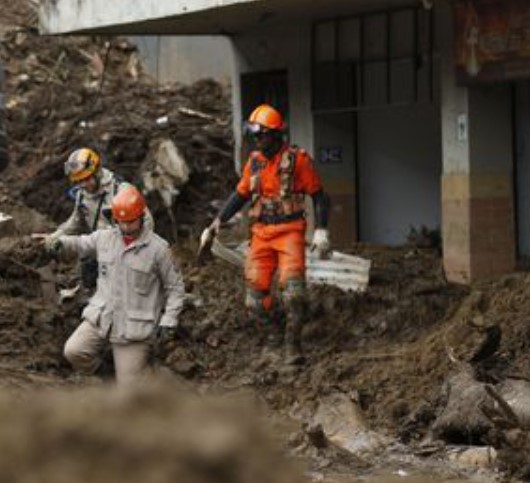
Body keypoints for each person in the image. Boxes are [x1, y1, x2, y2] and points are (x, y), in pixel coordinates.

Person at [206, 104, 330, 363]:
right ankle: (275, 334)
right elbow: (240, 195)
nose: (257, 140)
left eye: (261, 135)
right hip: (261, 234)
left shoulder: (298, 161)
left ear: (276, 134)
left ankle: (292, 346)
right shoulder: (255, 163)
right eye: (254, 136)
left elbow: (319, 196)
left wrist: (321, 229)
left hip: (290, 232)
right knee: (253, 302)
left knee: (294, 294)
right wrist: (218, 221)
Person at [45, 183, 185, 388]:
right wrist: (61, 243)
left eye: (131, 222)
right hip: (102, 317)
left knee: (129, 390)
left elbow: (175, 288)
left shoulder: (158, 249)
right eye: (121, 222)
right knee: (73, 351)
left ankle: (147, 375)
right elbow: (81, 243)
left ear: (141, 217)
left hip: (134, 328)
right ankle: (108, 374)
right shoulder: (105, 238)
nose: (126, 228)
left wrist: (169, 320)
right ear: (114, 219)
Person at [34, 148, 151, 292]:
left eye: (87, 179)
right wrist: (54, 237)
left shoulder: (121, 191)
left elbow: (147, 224)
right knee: (89, 274)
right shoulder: (82, 195)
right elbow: (75, 222)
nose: (84, 184)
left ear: (97, 172)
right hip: (101, 250)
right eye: (79, 181)